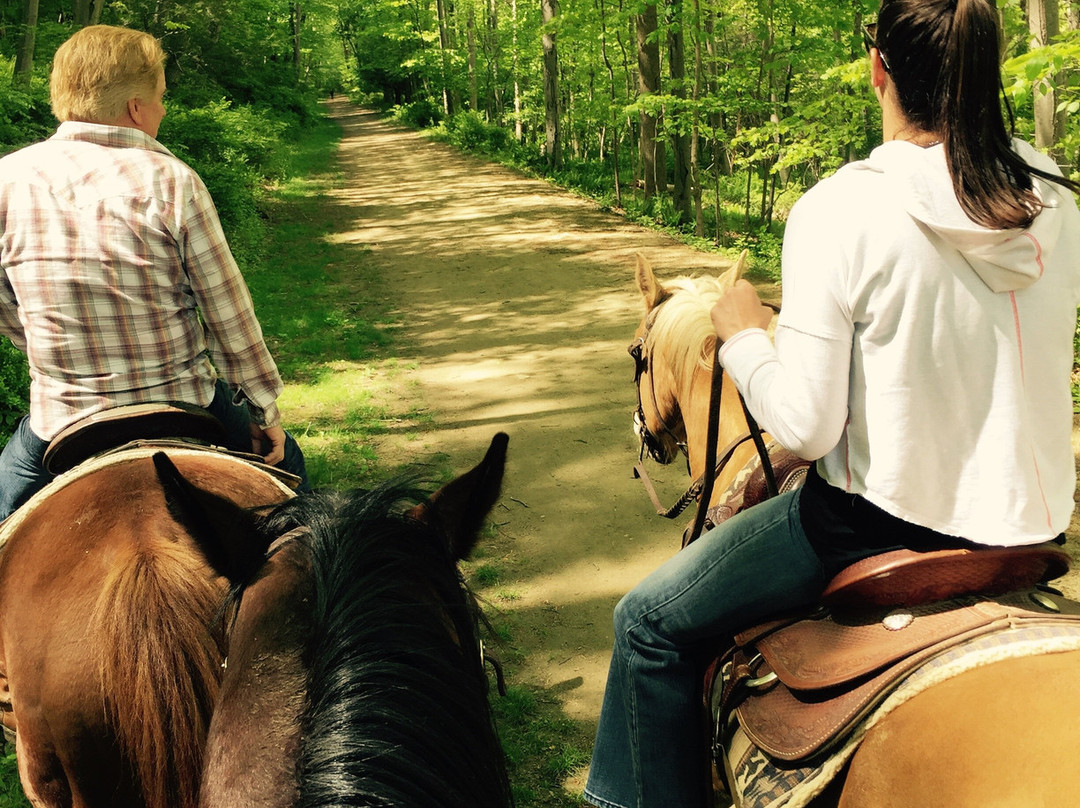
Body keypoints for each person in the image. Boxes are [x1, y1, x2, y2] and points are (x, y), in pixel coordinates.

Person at [584, 0, 1080, 806]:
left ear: (879, 67)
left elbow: (807, 428)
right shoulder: (1053, 199)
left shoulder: (839, 209)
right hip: (1032, 529)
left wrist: (743, 338)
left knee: (646, 624)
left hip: (874, 529)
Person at [0, 24, 309, 520]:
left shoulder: (7, 180)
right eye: (161, 98)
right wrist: (263, 410)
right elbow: (227, 315)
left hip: (63, 417)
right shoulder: (173, 180)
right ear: (135, 108)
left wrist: (52, 347)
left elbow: (6, 308)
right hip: (183, 404)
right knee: (295, 491)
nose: (163, 110)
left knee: (6, 520)